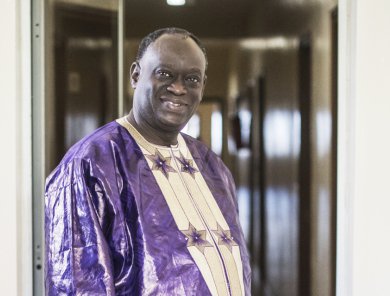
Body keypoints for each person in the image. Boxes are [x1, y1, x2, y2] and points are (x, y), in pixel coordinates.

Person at [44, 27, 251, 296]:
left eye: (191, 79)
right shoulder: (91, 164)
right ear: (135, 75)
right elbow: (75, 285)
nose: (178, 88)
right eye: (164, 74)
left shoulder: (212, 167)